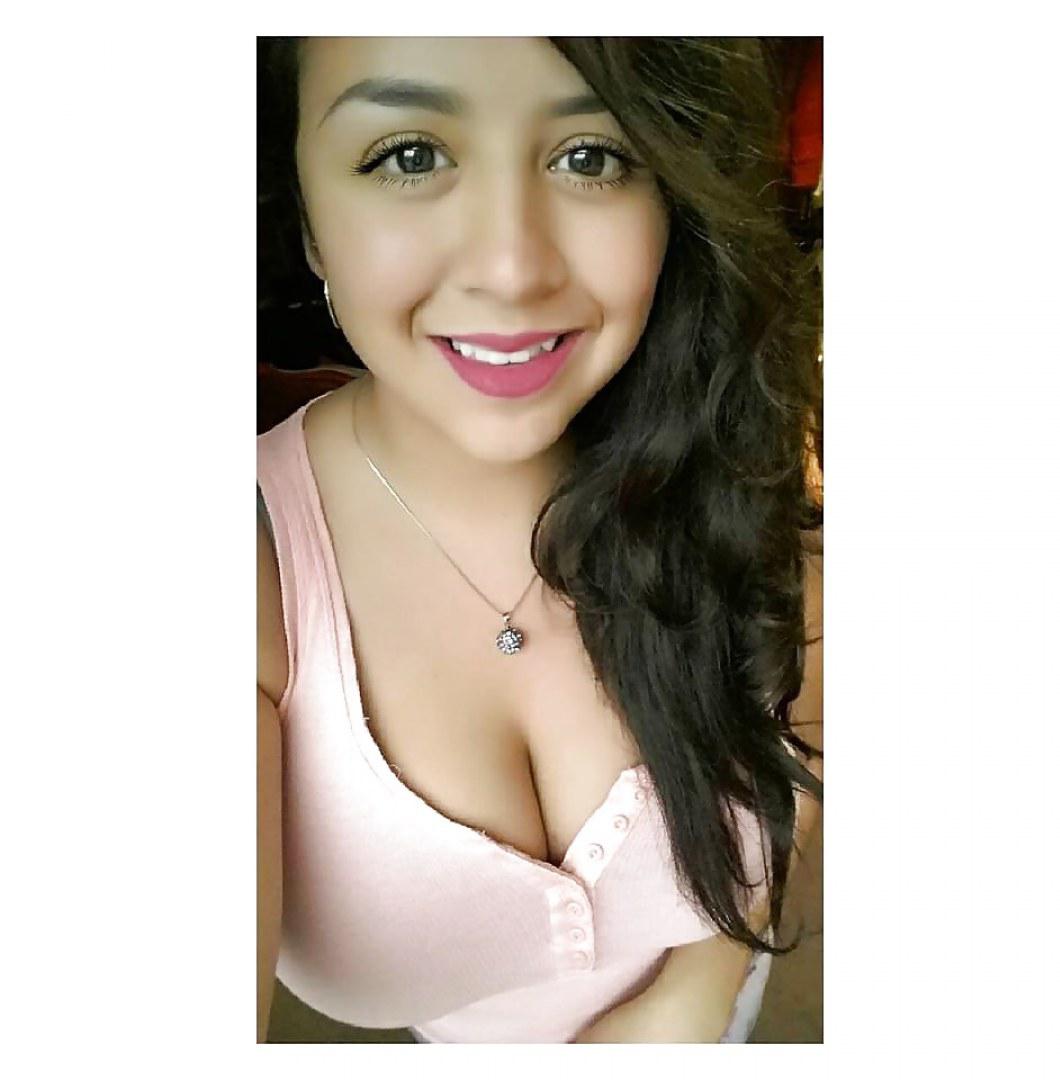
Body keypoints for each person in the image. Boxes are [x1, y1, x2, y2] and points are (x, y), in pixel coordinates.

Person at [257, 36, 823, 1044]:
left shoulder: (726, 446)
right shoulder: (251, 566)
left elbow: (797, 716)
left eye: (592, 156)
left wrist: (699, 991)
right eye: (409, 156)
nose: (513, 268)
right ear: (308, 218)